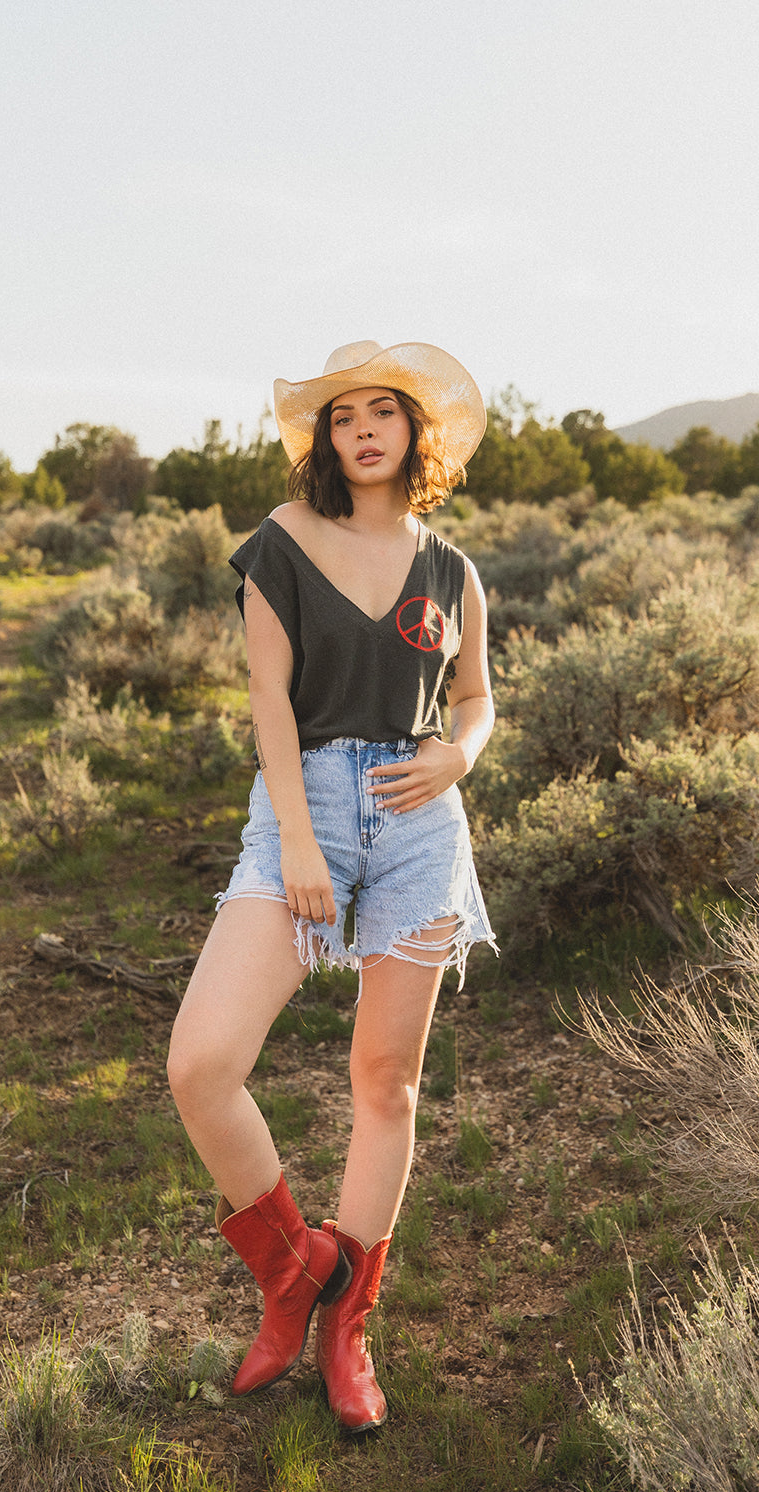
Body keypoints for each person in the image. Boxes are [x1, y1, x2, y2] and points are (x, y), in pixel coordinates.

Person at [167, 339, 497, 1436]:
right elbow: (268, 698)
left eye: (382, 413)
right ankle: (292, 1268)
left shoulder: (452, 568)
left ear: (414, 434)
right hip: (301, 809)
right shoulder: (281, 543)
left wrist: (462, 753)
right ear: (325, 438)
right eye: (342, 414)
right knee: (201, 1063)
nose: (362, 428)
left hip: (419, 822)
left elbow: (475, 701)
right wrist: (299, 844)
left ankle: (348, 1322)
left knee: (385, 1079)